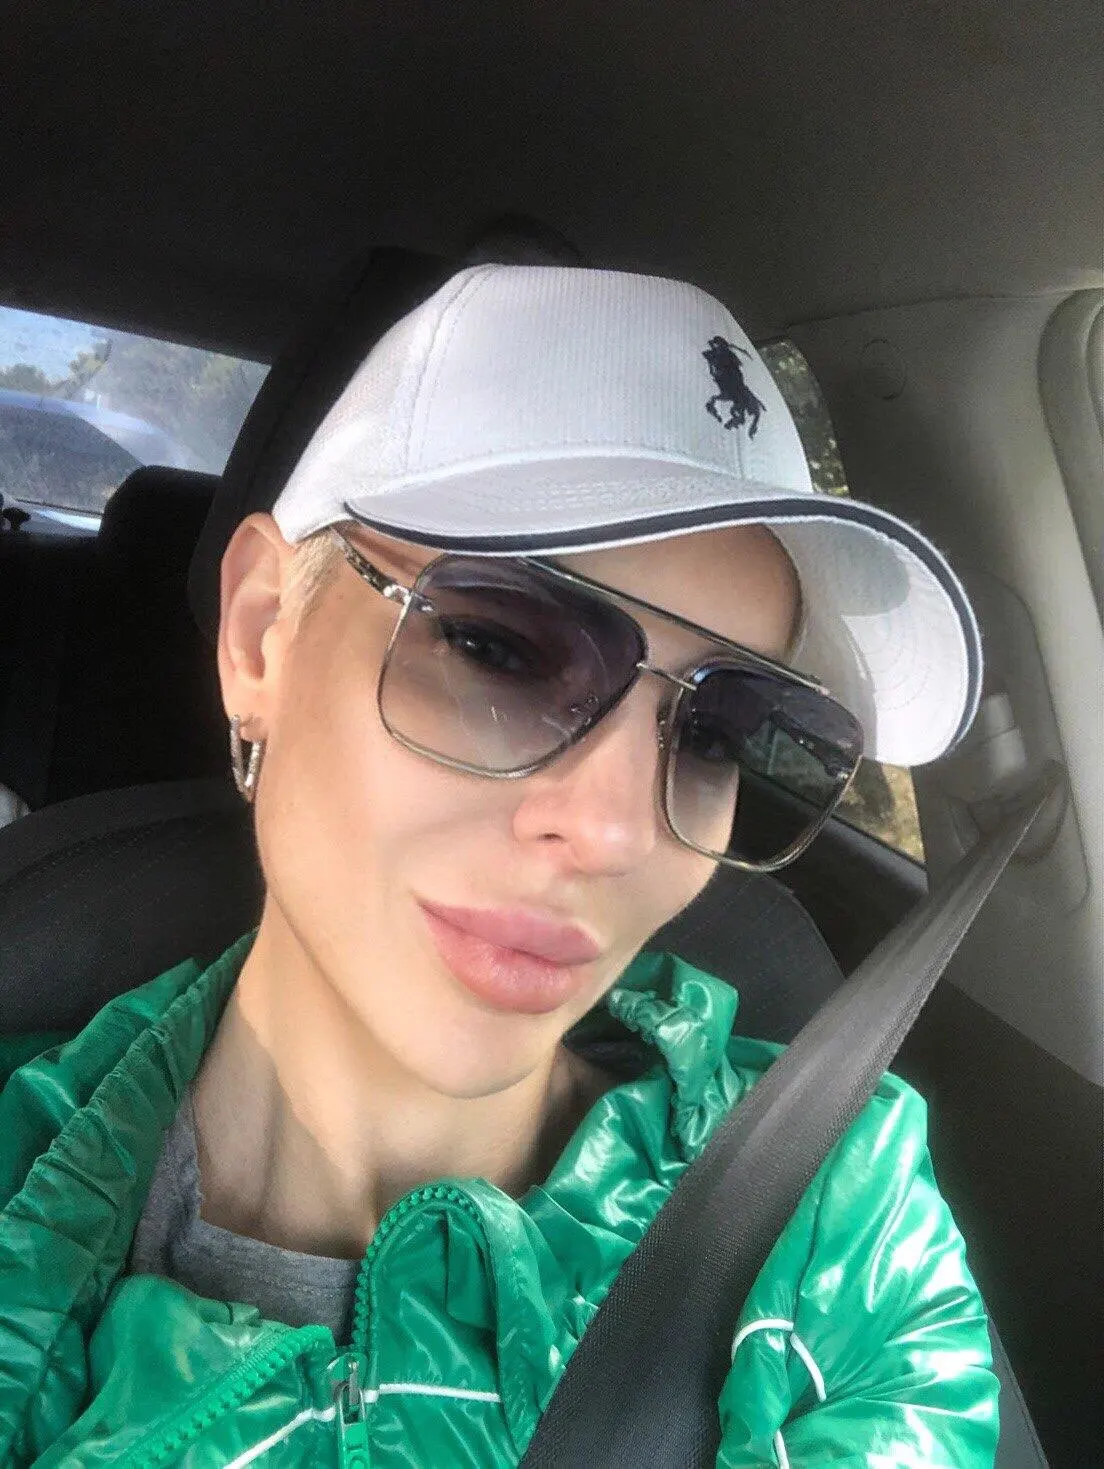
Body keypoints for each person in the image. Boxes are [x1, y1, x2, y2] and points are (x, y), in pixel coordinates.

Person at [0, 265, 997, 1467]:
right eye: (498, 648)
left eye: (722, 732)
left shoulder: (827, 1216)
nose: (618, 832)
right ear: (263, 633)